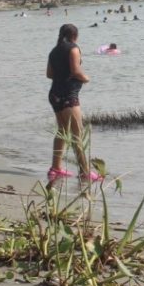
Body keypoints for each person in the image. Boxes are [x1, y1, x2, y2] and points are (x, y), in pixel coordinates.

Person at [46, 24, 95, 185]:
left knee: (62, 131)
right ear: (75, 35)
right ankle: (84, 172)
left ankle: (55, 168)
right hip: (68, 95)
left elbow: (49, 74)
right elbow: (75, 70)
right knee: (77, 134)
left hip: (54, 94)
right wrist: (85, 77)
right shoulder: (73, 49)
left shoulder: (54, 51)